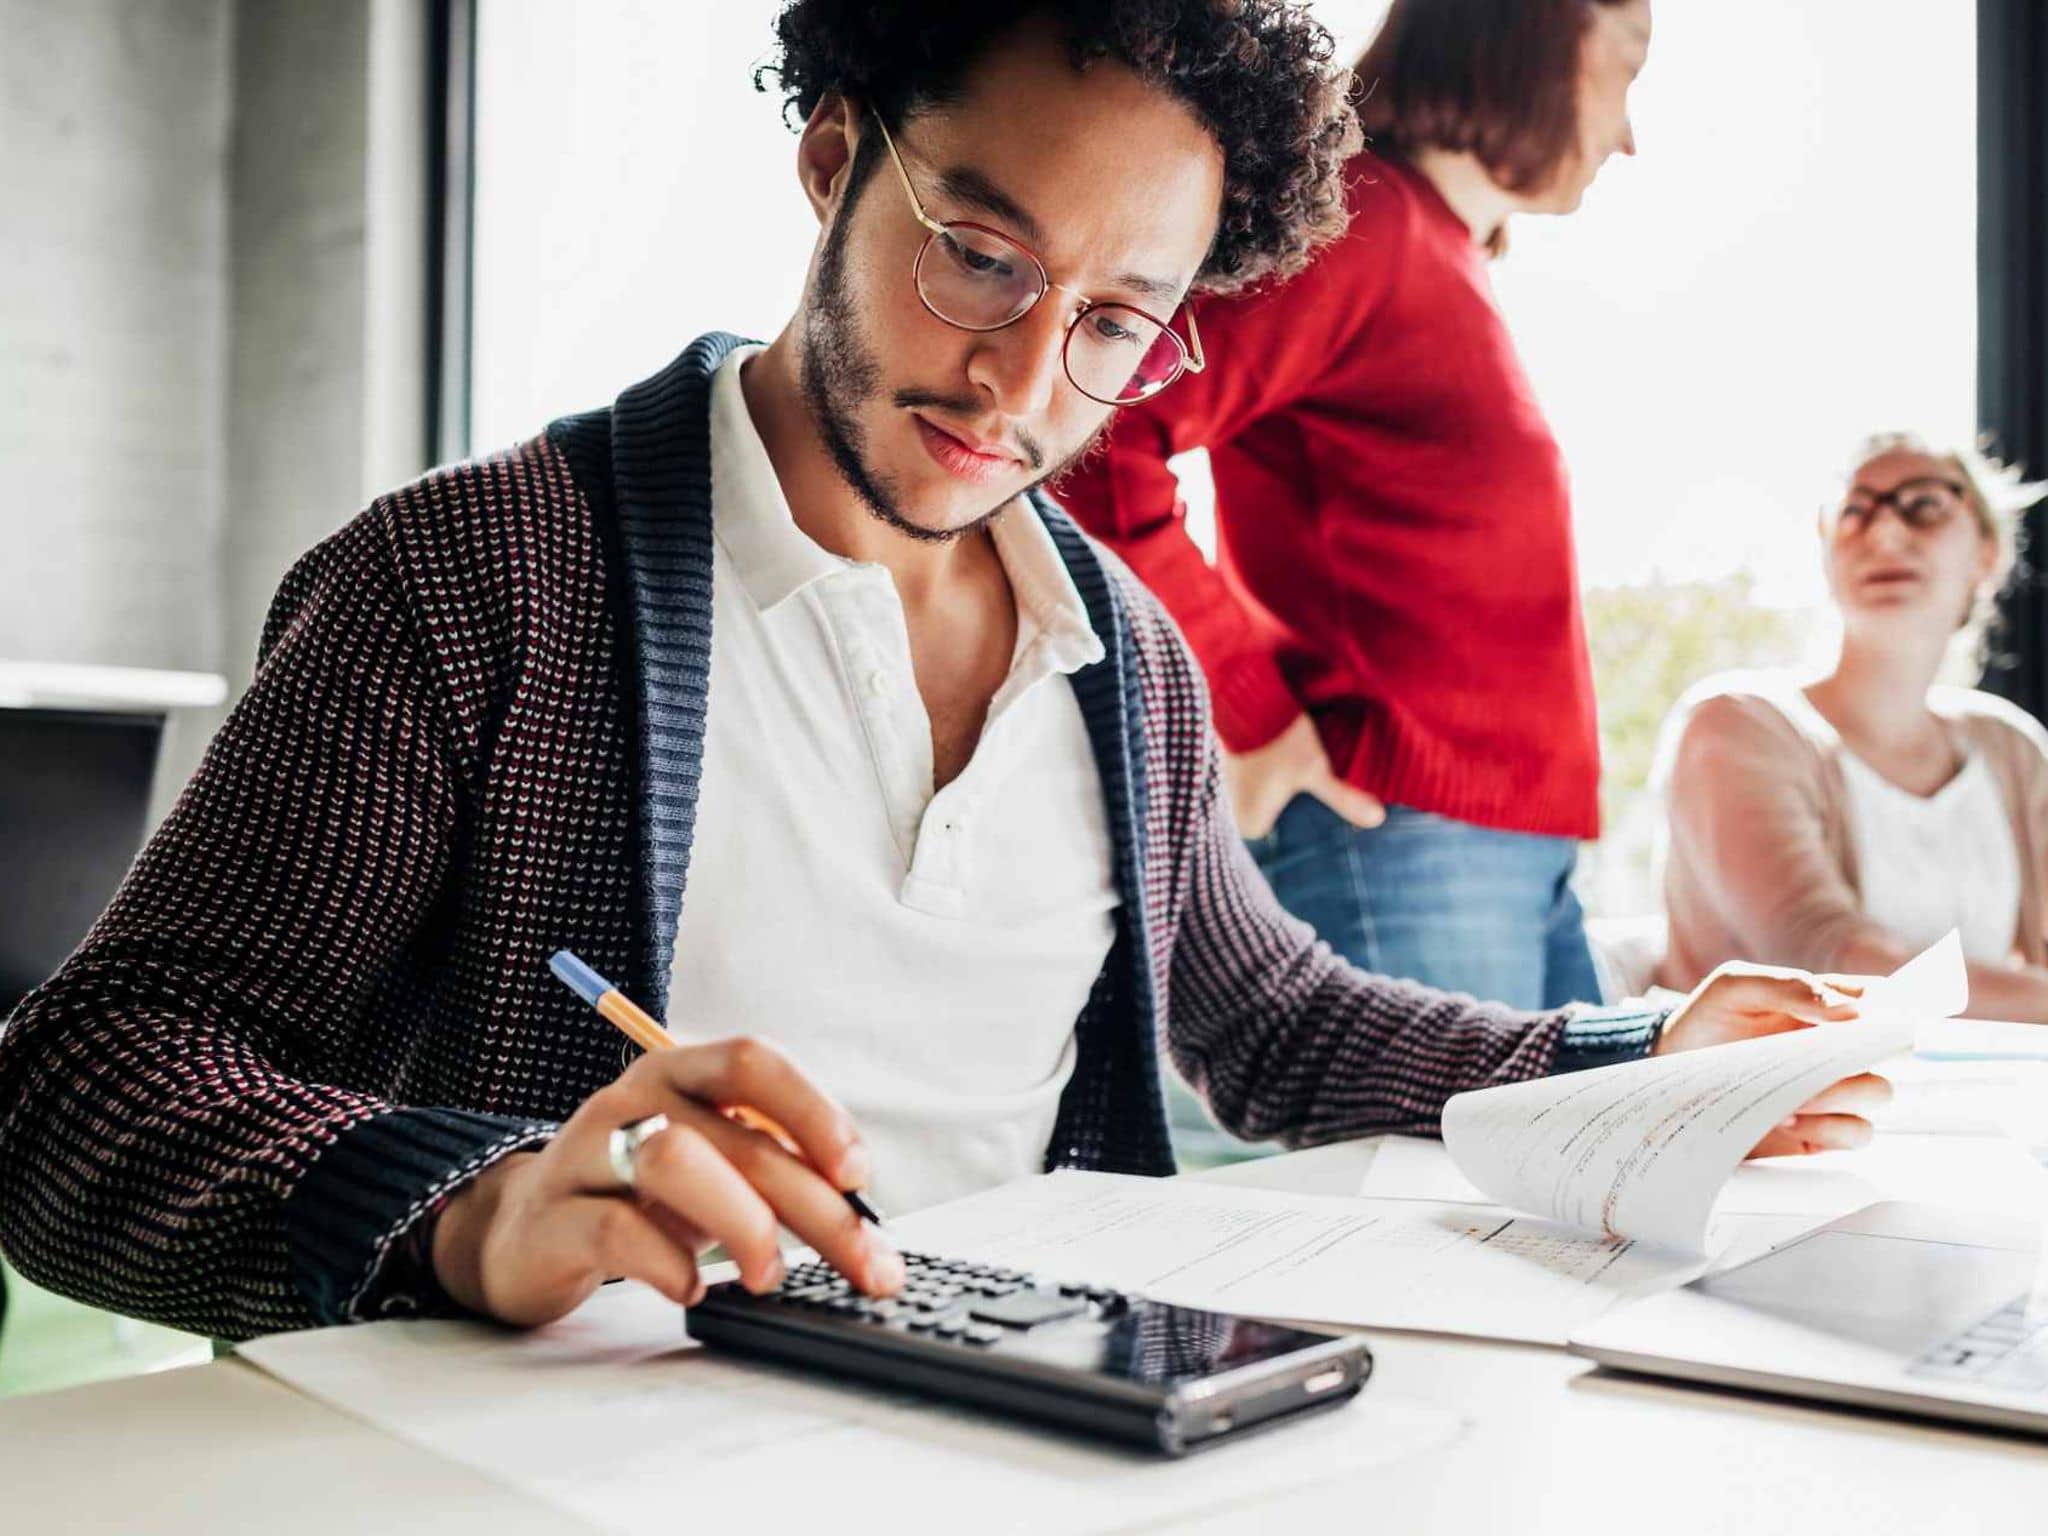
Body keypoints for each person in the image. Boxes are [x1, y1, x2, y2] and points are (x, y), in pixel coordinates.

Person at [0, 1, 1878, 1344]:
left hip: (1017, 1441)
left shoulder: (1116, 655)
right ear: (832, 155)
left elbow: (1272, 1018)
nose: (1018, 382)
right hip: (557, 1461)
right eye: (979, 256)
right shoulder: (472, 576)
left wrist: (1632, 1052)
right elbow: (82, 1080)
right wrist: (468, 1207)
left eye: (1115, 326)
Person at [1055, 0, 1652, 1011]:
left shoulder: (1429, 247)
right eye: (1624, 71)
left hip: (1502, 850)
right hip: (1403, 839)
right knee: (1435, 1177)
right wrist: (1250, 711)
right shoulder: (1362, 223)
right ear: (1528, 47)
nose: (1627, 136)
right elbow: (1094, 437)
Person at [1658, 432, 2048, 1019]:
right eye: (1854, 511)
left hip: (1991, 1099)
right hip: (1789, 1106)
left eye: (1925, 506)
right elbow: (1833, 968)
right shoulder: (1736, 725)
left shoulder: (2011, 746)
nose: (1885, 533)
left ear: (1987, 554)